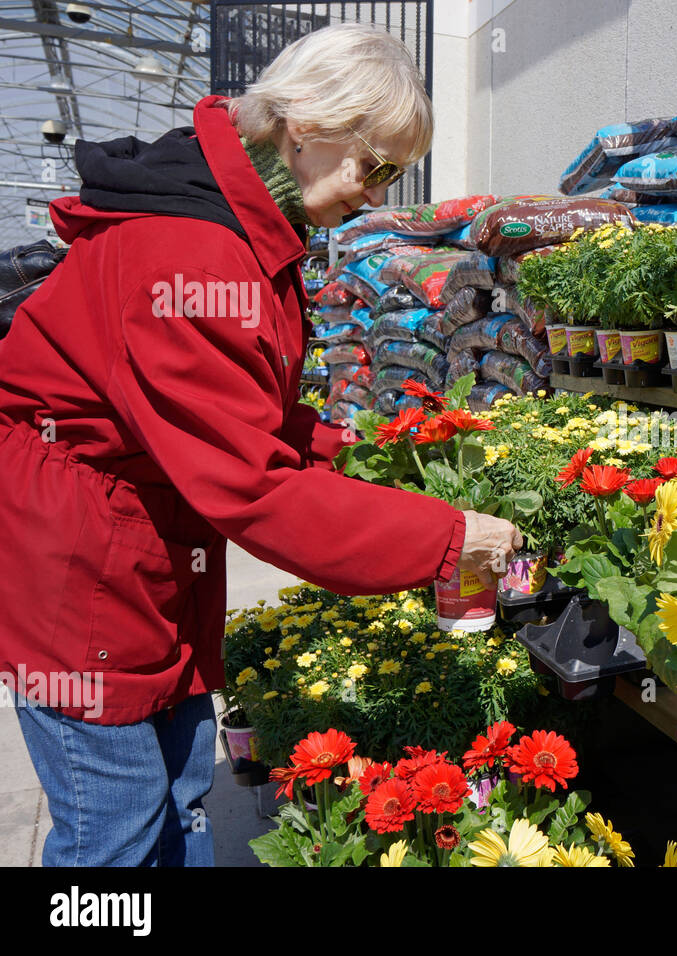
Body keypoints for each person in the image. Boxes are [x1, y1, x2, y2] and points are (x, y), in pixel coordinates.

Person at [0, 23, 520, 866]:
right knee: (112, 831)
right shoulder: (191, 251)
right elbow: (254, 488)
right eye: (374, 165)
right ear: (306, 123)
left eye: (395, 172)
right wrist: (450, 537)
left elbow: (247, 416)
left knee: (176, 794)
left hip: (142, 547)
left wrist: (351, 452)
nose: (377, 191)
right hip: (80, 574)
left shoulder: (241, 227)